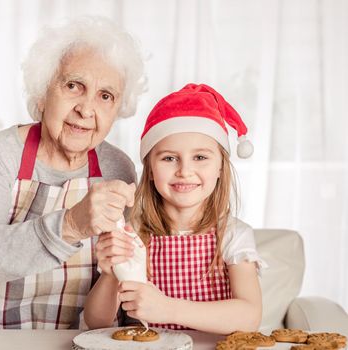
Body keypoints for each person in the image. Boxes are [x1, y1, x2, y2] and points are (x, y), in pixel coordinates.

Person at [0, 16, 146, 329]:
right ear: (42, 93)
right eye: (73, 86)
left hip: (76, 342)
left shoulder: (118, 168)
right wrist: (70, 224)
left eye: (105, 95)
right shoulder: (0, 154)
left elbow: (120, 275)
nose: (86, 109)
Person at [84, 83, 265, 334]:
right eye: (169, 158)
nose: (184, 171)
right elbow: (98, 322)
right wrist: (110, 273)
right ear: (149, 171)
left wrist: (167, 308)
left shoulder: (233, 235)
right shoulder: (133, 234)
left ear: (220, 168)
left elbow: (249, 316)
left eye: (200, 157)